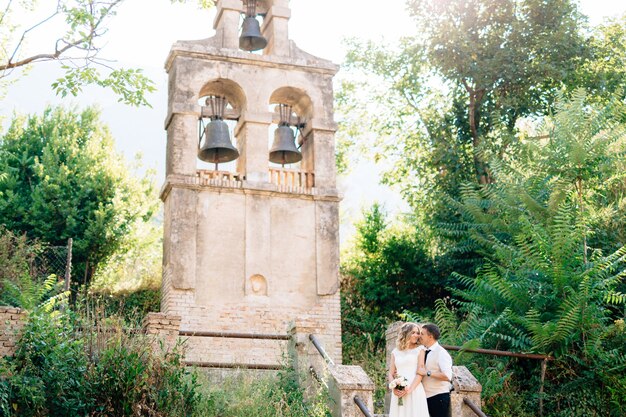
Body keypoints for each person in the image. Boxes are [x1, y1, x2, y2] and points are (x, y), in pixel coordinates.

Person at [388, 322, 430, 417]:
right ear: (406, 333)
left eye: (418, 333)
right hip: (399, 390)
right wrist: (394, 388)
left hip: (414, 389)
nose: (417, 335)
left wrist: (409, 390)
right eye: (413, 332)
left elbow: (420, 372)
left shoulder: (420, 349)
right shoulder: (395, 352)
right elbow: (390, 373)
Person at [417, 323, 453, 417]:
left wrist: (427, 372)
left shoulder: (441, 353)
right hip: (425, 396)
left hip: (438, 397)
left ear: (430, 336)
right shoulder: (423, 351)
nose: (419, 336)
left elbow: (447, 376)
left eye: (422, 334)